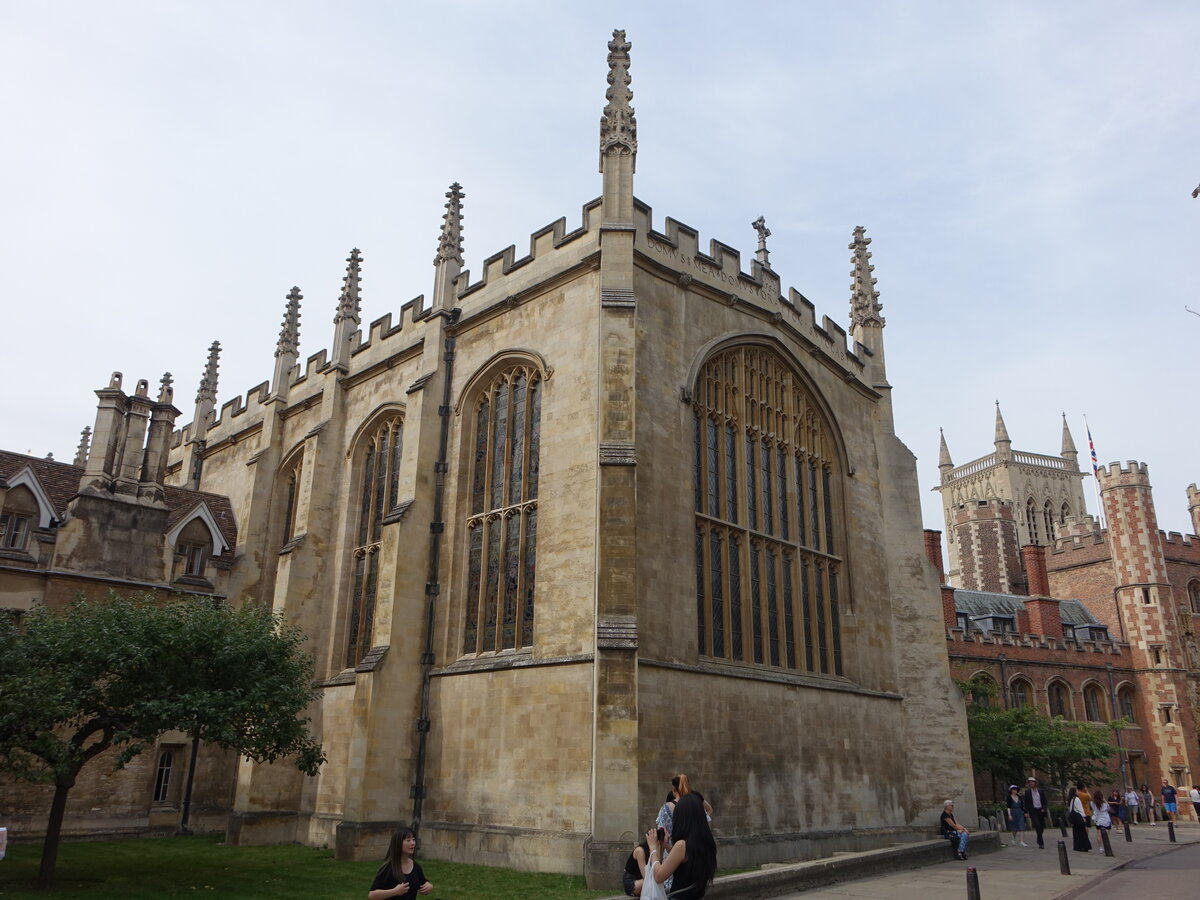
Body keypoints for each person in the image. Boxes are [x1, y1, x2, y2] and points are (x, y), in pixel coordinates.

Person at [645, 793, 717, 899]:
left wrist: (652, 848)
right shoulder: (706, 843)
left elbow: (658, 876)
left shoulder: (682, 845)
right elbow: (684, 859)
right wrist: (666, 845)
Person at [368, 827, 433, 899]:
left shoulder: (415, 866)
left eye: (413, 839)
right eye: (408, 840)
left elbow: (423, 883)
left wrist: (429, 886)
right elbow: (372, 895)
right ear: (398, 843)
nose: (412, 843)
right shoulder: (388, 868)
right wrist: (395, 891)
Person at [1023, 777, 1049, 849]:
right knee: (1037, 825)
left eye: (1032, 782)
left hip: (1040, 810)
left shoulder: (1040, 791)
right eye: (1029, 782)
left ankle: (1039, 838)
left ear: (1035, 783)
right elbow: (1026, 803)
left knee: (1042, 826)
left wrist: (1044, 808)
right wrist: (1026, 811)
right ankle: (1041, 843)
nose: (1031, 783)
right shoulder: (1027, 792)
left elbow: (1045, 801)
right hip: (1033, 811)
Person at [1068, 787, 1092, 852]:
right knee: (1082, 832)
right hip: (1079, 818)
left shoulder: (1072, 799)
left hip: (1074, 819)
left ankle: (1077, 846)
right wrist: (1083, 817)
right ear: (1075, 792)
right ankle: (1084, 846)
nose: (1078, 792)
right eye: (1077, 791)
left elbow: (1071, 809)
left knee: (1076, 833)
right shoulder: (1077, 799)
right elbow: (1080, 809)